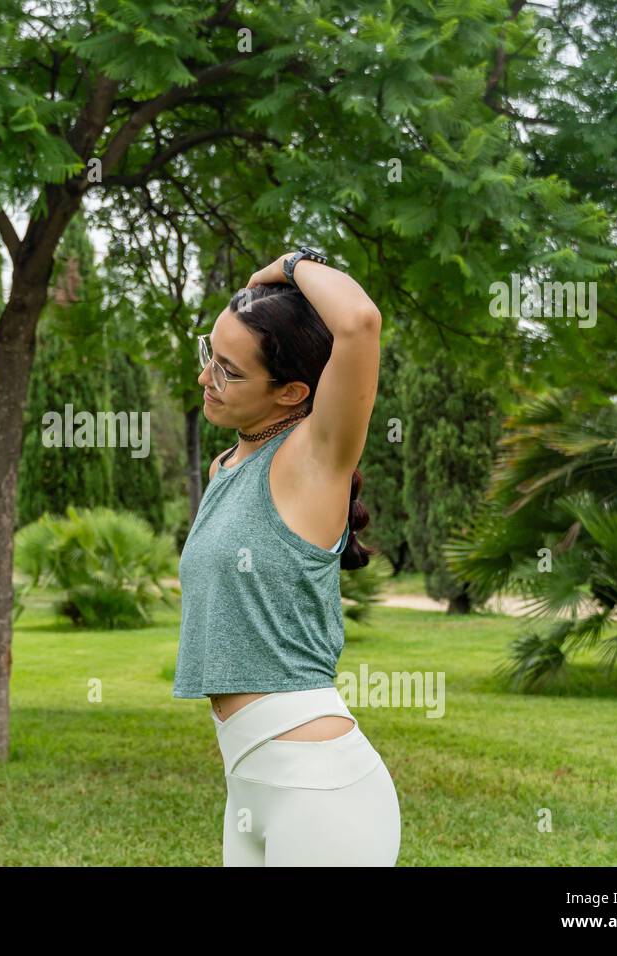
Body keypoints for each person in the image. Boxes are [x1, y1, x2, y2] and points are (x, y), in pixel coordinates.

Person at [173, 248, 400, 866]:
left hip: (319, 790)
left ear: (292, 392)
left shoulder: (313, 458)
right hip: (249, 785)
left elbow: (358, 322)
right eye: (208, 358)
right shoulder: (228, 465)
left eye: (228, 372)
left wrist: (290, 266)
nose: (205, 381)